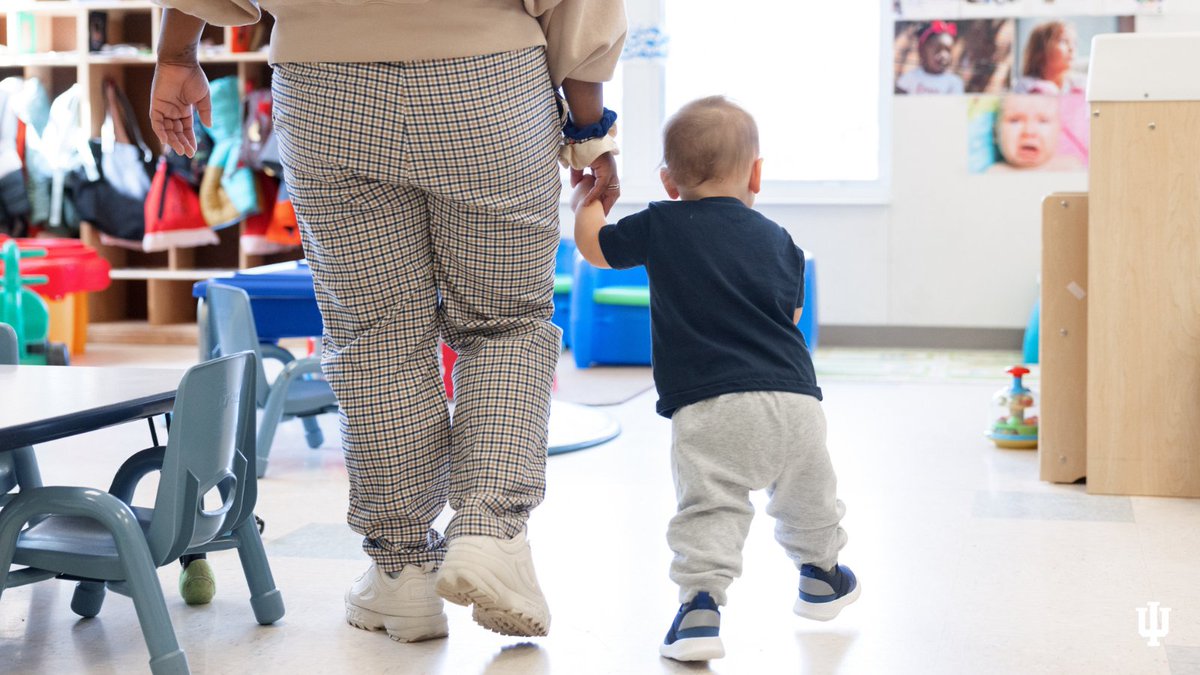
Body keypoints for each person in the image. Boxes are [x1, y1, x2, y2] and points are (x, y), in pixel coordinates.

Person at [149, 0, 626, 642]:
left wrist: (178, 52)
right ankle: (489, 532)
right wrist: (591, 131)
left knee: (373, 334)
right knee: (505, 322)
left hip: (326, 87)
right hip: (488, 84)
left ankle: (402, 572)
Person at [571, 96, 860, 662]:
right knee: (808, 495)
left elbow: (595, 250)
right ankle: (822, 574)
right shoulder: (781, 241)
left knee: (711, 507)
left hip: (709, 404)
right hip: (795, 399)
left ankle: (701, 608)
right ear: (756, 174)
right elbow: (792, 317)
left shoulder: (660, 224)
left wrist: (589, 201)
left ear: (668, 181)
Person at [989, 94, 1081, 172]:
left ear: (1059, 131)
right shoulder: (995, 173)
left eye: (1043, 121)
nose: (1029, 131)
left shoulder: (1070, 168)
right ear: (996, 133)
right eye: (1015, 120)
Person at [1014, 21, 1084, 95]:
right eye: (1063, 41)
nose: (1072, 48)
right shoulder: (1025, 86)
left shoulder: (1081, 84)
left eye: (1074, 43)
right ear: (1040, 50)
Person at [896, 21, 964, 95]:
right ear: (923, 52)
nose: (943, 55)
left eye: (948, 51)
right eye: (938, 50)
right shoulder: (911, 77)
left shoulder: (953, 82)